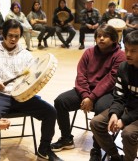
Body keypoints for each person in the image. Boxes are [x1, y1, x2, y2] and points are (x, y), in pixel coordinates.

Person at [0, 19, 62, 161]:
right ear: (3, 34)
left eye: (17, 36)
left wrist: (32, 86)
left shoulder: (26, 55)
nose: (13, 39)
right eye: (10, 35)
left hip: (22, 97)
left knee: (51, 112)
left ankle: (44, 150)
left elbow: (33, 78)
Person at [50, 24, 126, 161]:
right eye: (98, 36)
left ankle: (96, 148)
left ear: (114, 39)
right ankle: (66, 138)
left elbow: (110, 80)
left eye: (105, 36)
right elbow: (81, 75)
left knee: (101, 108)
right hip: (87, 92)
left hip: (107, 92)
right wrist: (86, 95)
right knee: (60, 101)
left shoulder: (120, 55)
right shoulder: (89, 52)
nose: (101, 38)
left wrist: (92, 97)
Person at [90, 30, 138, 161]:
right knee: (96, 123)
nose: (127, 54)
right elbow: (119, 96)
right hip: (128, 108)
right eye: (126, 49)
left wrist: (124, 120)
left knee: (128, 133)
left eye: (133, 51)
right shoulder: (123, 67)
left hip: (135, 113)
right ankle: (115, 156)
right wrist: (115, 113)